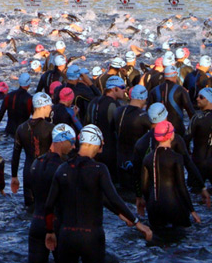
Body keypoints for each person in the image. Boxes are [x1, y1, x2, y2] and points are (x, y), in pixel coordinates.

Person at [44, 125, 152, 261]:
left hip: (67, 235)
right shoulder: (99, 169)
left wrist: (49, 231)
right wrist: (136, 222)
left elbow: (49, 205)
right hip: (92, 236)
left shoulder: (62, 168)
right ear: (96, 144)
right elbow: (113, 197)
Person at [132, 102, 209, 215]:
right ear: (166, 116)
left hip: (153, 200)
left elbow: (136, 173)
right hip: (175, 199)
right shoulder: (175, 140)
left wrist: (139, 197)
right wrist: (202, 187)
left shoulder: (140, 143)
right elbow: (189, 164)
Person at [27, 124, 76, 263]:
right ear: (61, 141)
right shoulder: (63, 167)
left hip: (36, 223)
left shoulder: (36, 163)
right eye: (71, 142)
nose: (73, 147)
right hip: (56, 227)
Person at [141, 120, 201, 229]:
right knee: (181, 237)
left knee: (158, 238)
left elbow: (144, 187)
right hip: (173, 205)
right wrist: (192, 211)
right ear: (171, 135)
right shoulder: (176, 158)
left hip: (153, 206)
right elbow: (182, 187)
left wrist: (148, 202)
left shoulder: (147, 158)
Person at [11, 92, 55, 207]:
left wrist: (14, 176)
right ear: (44, 106)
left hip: (28, 172)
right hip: (45, 172)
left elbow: (15, 155)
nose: (51, 109)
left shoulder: (21, 128)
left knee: (29, 209)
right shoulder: (51, 128)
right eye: (50, 106)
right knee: (45, 209)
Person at [85, 76, 126, 181]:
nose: (125, 90)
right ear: (113, 89)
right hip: (109, 149)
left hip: (91, 148)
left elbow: (86, 123)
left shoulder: (93, 102)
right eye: (122, 87)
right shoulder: (114, 105)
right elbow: (120, 129)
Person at [113, 85, 150, 189]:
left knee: (124, 190)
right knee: (136, 191)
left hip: (120, 158)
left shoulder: (118, 111)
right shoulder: (143, 116)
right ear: (143, 98)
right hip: (135, 159)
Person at [147, 65, 195, 136]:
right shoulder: (180, 90)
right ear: (176, 75)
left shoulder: (154, 91)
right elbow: (191, 112)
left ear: (164, 76)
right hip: (177, 130)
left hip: (159, 130)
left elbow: (148, 113)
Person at [185, 87, 212, 184]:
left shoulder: (197, 118)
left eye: (201, 97)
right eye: (197, 96)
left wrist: (187, 157)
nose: (197, 99)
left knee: (195, 193)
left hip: (198, 163)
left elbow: (186, 139)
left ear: (209, 100)